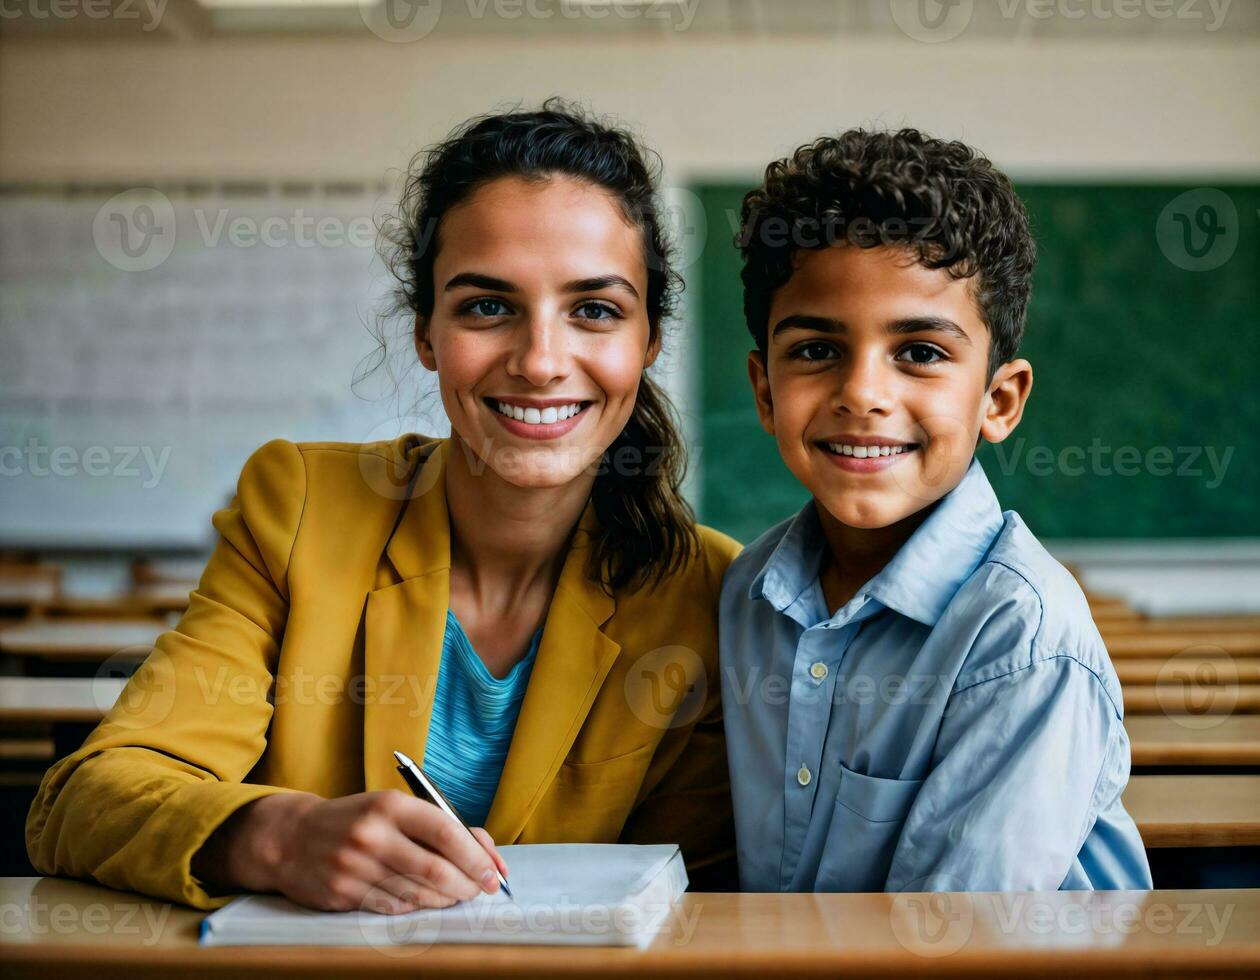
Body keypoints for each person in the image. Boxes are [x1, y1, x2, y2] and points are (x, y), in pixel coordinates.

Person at [26, 102, 739, 913]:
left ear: (647, 342)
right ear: (427, 333)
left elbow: (699, 902)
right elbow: (80, 805)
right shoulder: (302, 510)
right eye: (486, 306)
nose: (541, 361)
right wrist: (278, 836)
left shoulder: (708, 594)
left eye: (595, 310)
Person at [719, 128, 1152, 892]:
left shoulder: (1023, 636)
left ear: (999, 399)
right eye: (817, 350)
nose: (862, 393)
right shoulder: (747, 593)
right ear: (764, 392)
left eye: (920, 352)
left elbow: (954, 947)